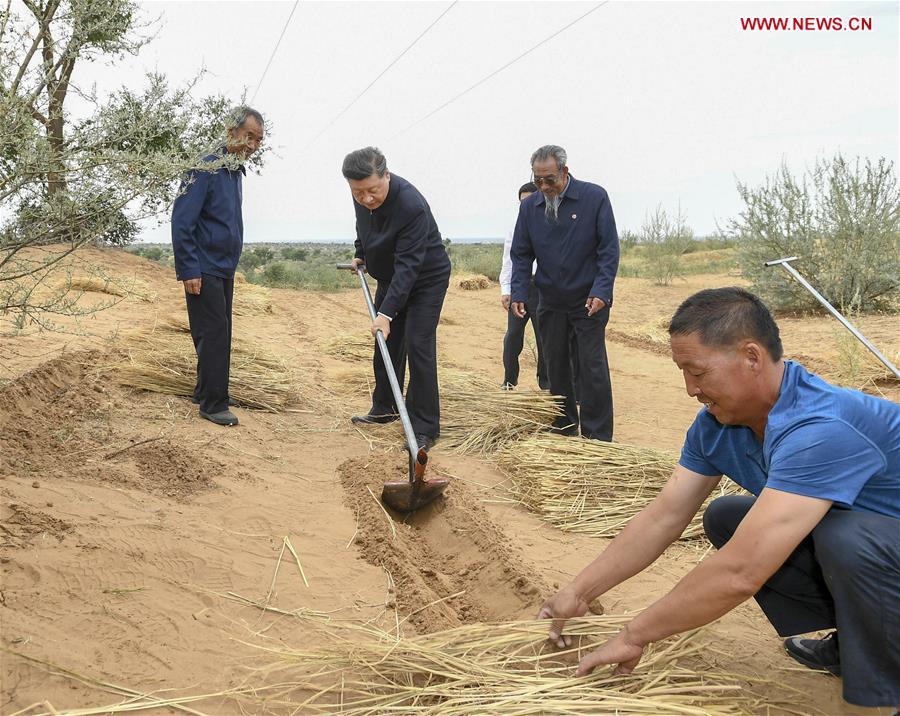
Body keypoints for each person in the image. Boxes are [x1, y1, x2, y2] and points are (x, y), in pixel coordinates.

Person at [538, 287, 900, 710]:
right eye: (683, 372)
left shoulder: (819, 428)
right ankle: (852, 640)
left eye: (698, 371)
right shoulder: (716, 424)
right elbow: (664, 516)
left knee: (846, 538)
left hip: (879, 546)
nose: (690, 388)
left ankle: (885, 686)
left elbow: (742, 571)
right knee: (728, 516)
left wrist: (634, 635)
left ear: (751, 357)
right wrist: (579, 592)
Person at [342, 147, 451, 452]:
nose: (366, 199)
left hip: (425, 278)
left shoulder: (410, 205)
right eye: (358, 192)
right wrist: (361, 252)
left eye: (372, 190)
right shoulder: (362, 193)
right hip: (393, 276)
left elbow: (410, 267)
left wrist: (386, 314)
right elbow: (363, 225)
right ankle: (386, 407)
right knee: (386, 343)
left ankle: (424, 427)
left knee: (418, 344)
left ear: (386, 175)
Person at [510, 145, 619, 440]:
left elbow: (609, 250)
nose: (544, 187)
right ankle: (564, 425)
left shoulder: (594, 198)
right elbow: (521, 254)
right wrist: (519, 292)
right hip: (550, 299)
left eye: (550, 180)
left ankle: (597, 436)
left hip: (588, 301)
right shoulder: (529, 207)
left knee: (591, 367)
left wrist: (602, 290)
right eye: (538, 181)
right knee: (555, 365)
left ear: (565, 172)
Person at [171, 106, 264, 427]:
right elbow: (182, 220)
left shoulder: (234, 171)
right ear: (231, 132)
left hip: (223, 267)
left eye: (258, 140)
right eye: (248, 136)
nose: (253, 145)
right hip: (204, 266)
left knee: (218, 333)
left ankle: (206, 390)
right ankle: (213, 404)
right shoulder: (206, 166)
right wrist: (188, 268)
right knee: (214, 334)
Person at [499, 182, 548, 390]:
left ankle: (546, 382)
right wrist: (506, 290)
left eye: (529, 201)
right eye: (521, 202)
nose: (525, 206)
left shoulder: (549, 225)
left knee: (543, 338)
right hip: (520, 288)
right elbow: (508, 260)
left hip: (543, 289)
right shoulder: (515, 228)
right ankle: (509, 380)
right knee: (512, 337)